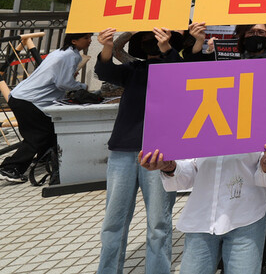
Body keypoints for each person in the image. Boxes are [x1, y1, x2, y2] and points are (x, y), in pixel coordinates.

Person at [94, 27, 187, 274]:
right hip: (123, 151)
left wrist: (167, 46)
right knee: (113, 221)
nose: (152, 42)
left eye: (156, 38)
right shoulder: (133, 70)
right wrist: (107, 44)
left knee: (159, 222)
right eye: (146, 39)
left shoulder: (178, 67)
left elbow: (179, 70)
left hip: (160, 154)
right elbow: (103, 70)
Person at [140, 143, 266, 274]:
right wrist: (170, 168)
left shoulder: (260, 114)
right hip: (201, 219)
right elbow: (189, 170)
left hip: (246, 219)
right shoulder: (194, 114)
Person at [0, 31, 92, 183]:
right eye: (86, 38)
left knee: (49, 129)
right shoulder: (71, 56)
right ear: (74, 41)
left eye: (89, 37)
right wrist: (82, 86)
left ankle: (47, 157)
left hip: (22, 97)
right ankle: (10, 168)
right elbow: (63, 83)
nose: (89, 41)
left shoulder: (61, 52)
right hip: (29, 100)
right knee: (38, 134)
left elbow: (58, 78)